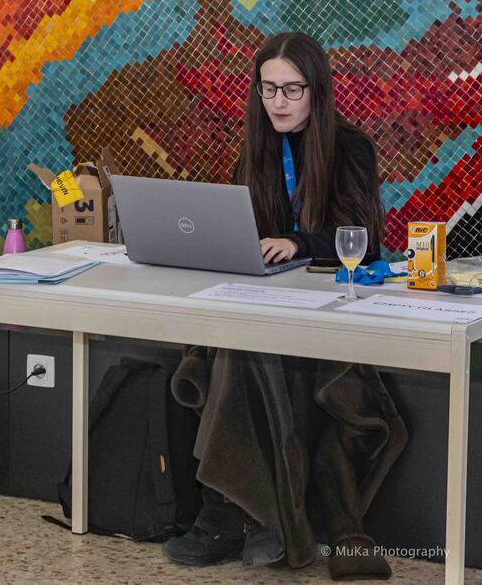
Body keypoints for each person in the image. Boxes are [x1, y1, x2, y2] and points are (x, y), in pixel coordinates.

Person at [162, 33, 406, 581]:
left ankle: (232, 513)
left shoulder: (351, 147)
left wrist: (298, 243)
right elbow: (241, 230)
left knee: (238, 357)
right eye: (268, 88)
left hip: (331, 308)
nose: (278, 101)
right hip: (269, 301)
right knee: (226, 347)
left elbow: (363, 240)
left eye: (292, 89)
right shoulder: (258, 148)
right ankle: (251, 515)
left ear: (316, 90)